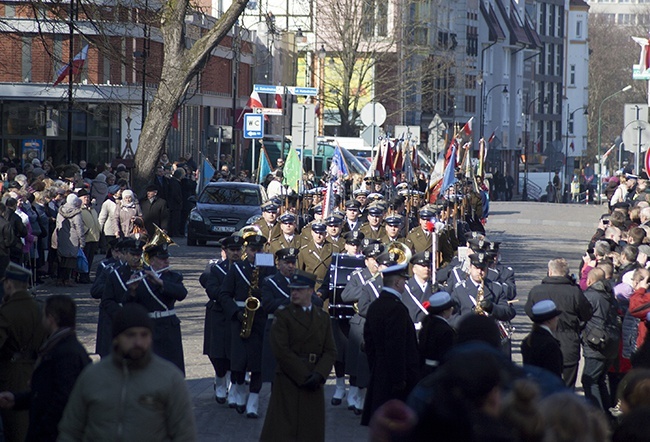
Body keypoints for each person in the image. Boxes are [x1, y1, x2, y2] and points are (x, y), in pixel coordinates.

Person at [57, 304, 196, 441]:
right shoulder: (92, 376)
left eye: (144, 335)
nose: (138, 342)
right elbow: (71, 430)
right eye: (130, 335)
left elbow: (184, 434)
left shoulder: (169, 378)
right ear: (116, 337)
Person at [0, 295, 90, 442]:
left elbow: (62, 399)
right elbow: (45, 392)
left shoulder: (66, 353)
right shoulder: (57, 347)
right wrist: (17, 400)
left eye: (43, 315)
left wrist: (43, 430)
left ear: (51, 318)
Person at [260, 270, 336, 442]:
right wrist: (304, 375)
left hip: (314, 382)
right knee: (284, 430)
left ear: (310, 291)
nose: (294, 293)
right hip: (289, 380)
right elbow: (281, 350)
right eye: (292, 289)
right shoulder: (283, 315)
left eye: (299, 290)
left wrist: (319, 374)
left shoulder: (322, 317)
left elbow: (330, 350)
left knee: (310, 430)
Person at [219, 234, 274, 417]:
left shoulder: (269, 266)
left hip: (261, 319)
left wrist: (263, 293)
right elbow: (224, 294)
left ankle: (254, 401)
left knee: (258, 363)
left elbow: (276, 292)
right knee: (239, 361)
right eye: (252, 250)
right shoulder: (237, 268)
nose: (255, 253)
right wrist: (236, 312)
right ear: (246, 250)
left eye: (259, 250)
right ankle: (240, 392)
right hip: (240, 318)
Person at [361, 256, 420, 426]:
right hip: (395, 378)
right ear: (397, 283)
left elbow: (369, 341)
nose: (405, 284)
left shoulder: (375, 306)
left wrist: (375, 365)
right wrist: (399, 379)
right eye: (403, 281)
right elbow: (396, 345)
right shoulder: (396, 308)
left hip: (379, 371)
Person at [525, 257, 593, 389]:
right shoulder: (574, 292)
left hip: (541, 344)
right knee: (567, 387)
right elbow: (587, 313)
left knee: (542, 386)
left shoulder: (536, 291)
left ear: (550, 272)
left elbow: (530, 312)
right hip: (569, 343)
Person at [0, 263, 48, 442]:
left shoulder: (7, 312)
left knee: (15, 429)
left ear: (9, 284)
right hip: (37, 370)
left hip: (12, 374)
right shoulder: (41, 308)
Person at [123, 242, 187, 373]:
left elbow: (181, 293)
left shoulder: (174, 277)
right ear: (152, 261)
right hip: (149, 327)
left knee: (172, 367)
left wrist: (160, 283)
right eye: (162, 259)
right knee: (149, 367)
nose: (166, 262)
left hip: (169, 326)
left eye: (167, 259)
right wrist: (132, 290)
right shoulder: (140, 277)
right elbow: (127, 305)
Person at [202, 235, 244, 404]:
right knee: (217, 353)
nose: (236, 253)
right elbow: (211, 289)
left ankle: (233, 387)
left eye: (238, 250)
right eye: (232, 250)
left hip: (238, 315)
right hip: (219, 314)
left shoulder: (246, 268)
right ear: (225, 251)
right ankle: (220, 379)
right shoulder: (217, 269)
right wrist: (226, 298)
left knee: (237, 354)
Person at [581, 267, 621, 412]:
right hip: (611, 342)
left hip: (596, 344)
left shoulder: (590, 296)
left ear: (590, 280)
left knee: (589, 380)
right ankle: (607, 414)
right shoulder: (610, 295)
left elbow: (581, 317)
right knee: (599, 380)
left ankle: (598, 415)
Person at [520, 299, 563, 378]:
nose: (557, 319)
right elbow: (554, 375)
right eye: (555, 317)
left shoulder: (527, 341)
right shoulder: (550, 344)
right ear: (550, 320)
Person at [417, 291, 456, 378]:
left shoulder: (427, 325)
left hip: (424, 371)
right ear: (445, 311)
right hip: (439, 373)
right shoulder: (445, 330)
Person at [51, 194, 85, 287]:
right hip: (73, 238)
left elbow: (58, 224)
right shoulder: (76, 213)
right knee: (71, 259)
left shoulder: (60, 211)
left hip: (61, 237)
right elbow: (79, 228)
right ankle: (67, 279)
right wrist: (82, 241)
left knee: (62, 258)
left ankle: (59, 278)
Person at [77, 188, 101, 284]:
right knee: (84, 259)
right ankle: (82, 276)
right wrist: (85, 231)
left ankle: (86, 276)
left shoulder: (92, 209)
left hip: (94, 237)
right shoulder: (79, 210)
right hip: (86, 238)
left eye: (87, 197)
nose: (86, 199)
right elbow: (79, 223)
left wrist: (99, 230)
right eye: (84, 197)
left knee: (90, 259)